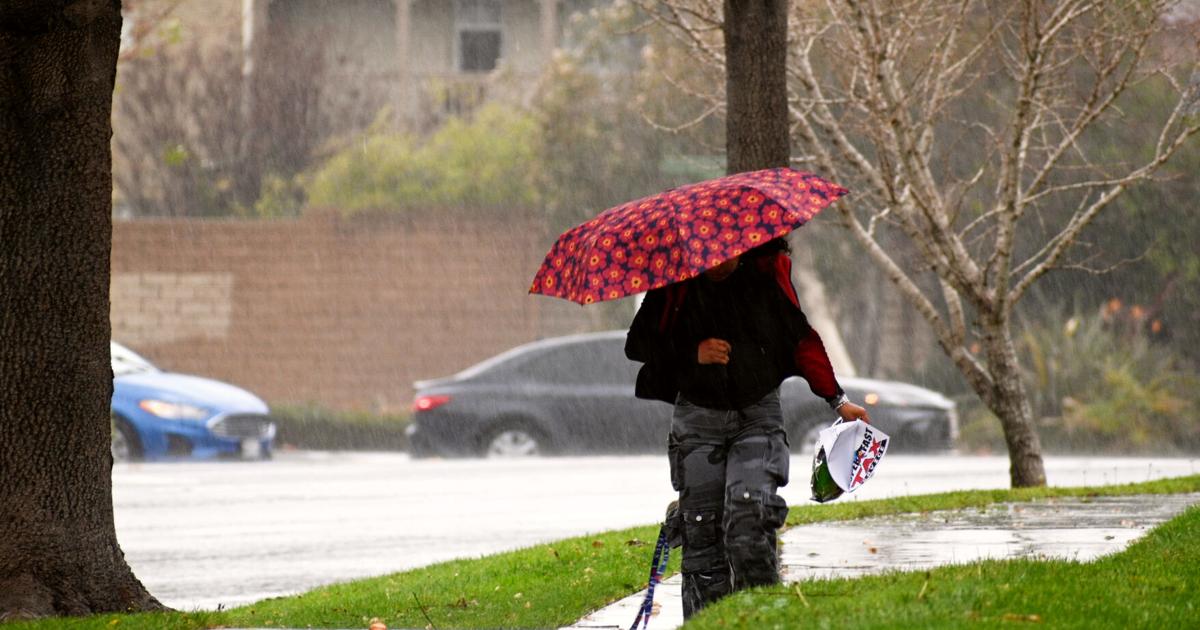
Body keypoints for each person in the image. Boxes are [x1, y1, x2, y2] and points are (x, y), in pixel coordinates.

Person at [624, 237, 869, 618]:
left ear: (742, 244)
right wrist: (693, 353)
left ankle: (762, 616)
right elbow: (639, 346)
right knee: (702, 534)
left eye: (727, 251)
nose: (718, 260)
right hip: (697, 420)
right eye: (707, 253)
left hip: (757, 415)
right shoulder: (675, 284)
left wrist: (837, 400)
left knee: (749, 515)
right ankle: (709, 622)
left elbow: (800, 341)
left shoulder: (764, 277)